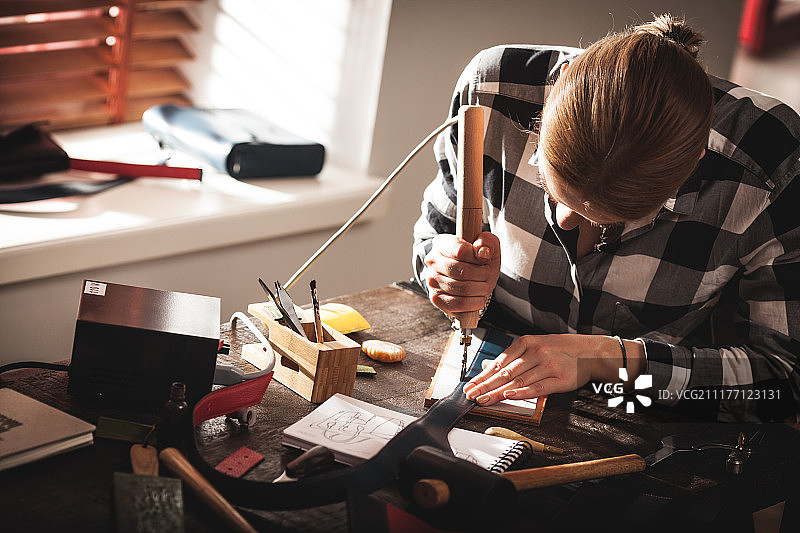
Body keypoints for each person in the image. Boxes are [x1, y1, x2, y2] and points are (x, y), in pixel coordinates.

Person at [412, 14, 800, 422]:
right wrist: (443, 266)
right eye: (549, 184)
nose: (562, 222)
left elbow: (785, 381)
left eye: (607, 219)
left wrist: (608, 361)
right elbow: (431, 241)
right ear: (552, 97)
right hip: (493, 360)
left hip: (650, 415)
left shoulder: (773, 169)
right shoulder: (492, 93)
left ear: (692, 165)